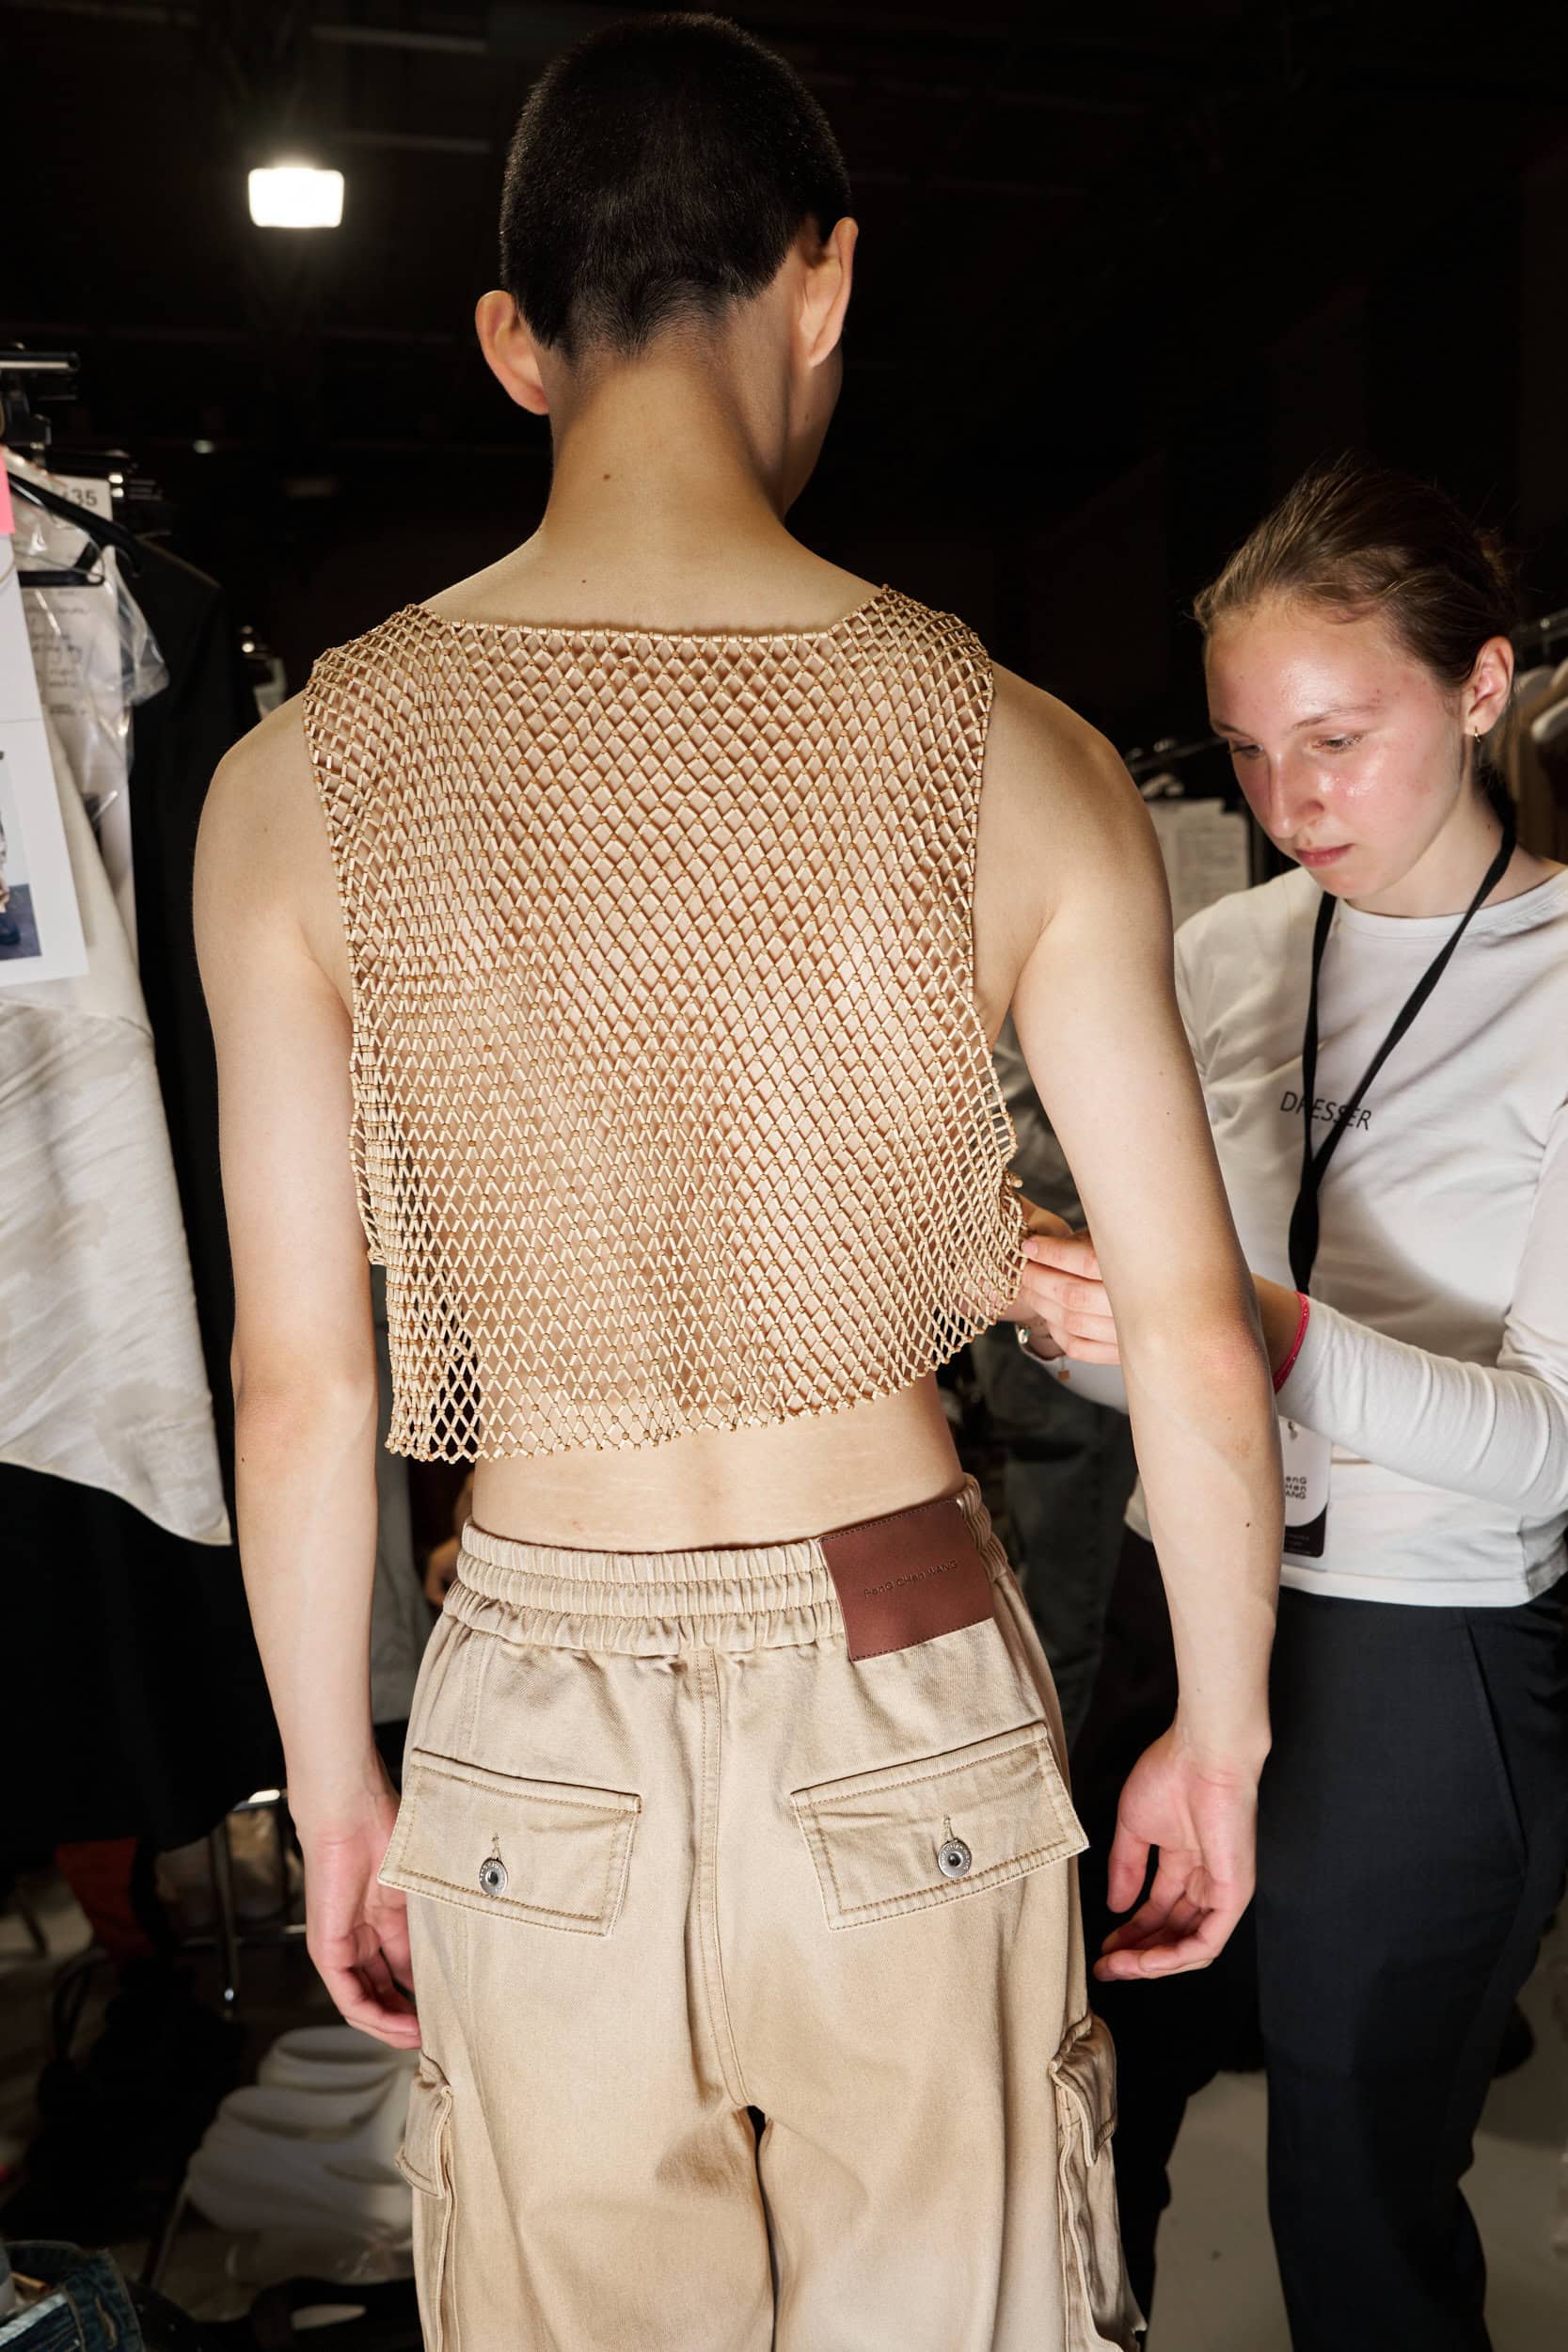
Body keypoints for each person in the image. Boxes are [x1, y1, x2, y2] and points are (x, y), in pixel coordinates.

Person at [192, 15, 1283, 2348]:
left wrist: (335, 1782)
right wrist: (1225, 1721)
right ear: (825, 289)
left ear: (514, 339)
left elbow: (305, 1375)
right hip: (904, 1683)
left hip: (523, 1701)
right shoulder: (1020, 752)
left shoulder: (299, 784)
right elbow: (1187, 1325)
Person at [1019, 454, 1568, 2350]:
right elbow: (1132, 1358)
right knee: (1082, 2113)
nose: (1283, 800)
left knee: (1347, 2195)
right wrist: (1054, 1307)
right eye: (1244, 750)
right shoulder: (1219, 953)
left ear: (1480, 684)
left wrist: (1248, 1329)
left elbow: (1547, 1449)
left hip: (1418, 1656)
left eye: (1335, 735)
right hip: (1169, 1610)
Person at [971, 1018, 1138, 1748]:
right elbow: (1001, 1116)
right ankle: (1068, 1795)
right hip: (1057, 1273)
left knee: (1060, 1553)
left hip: (1039, 1274)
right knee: (1071, 1565)